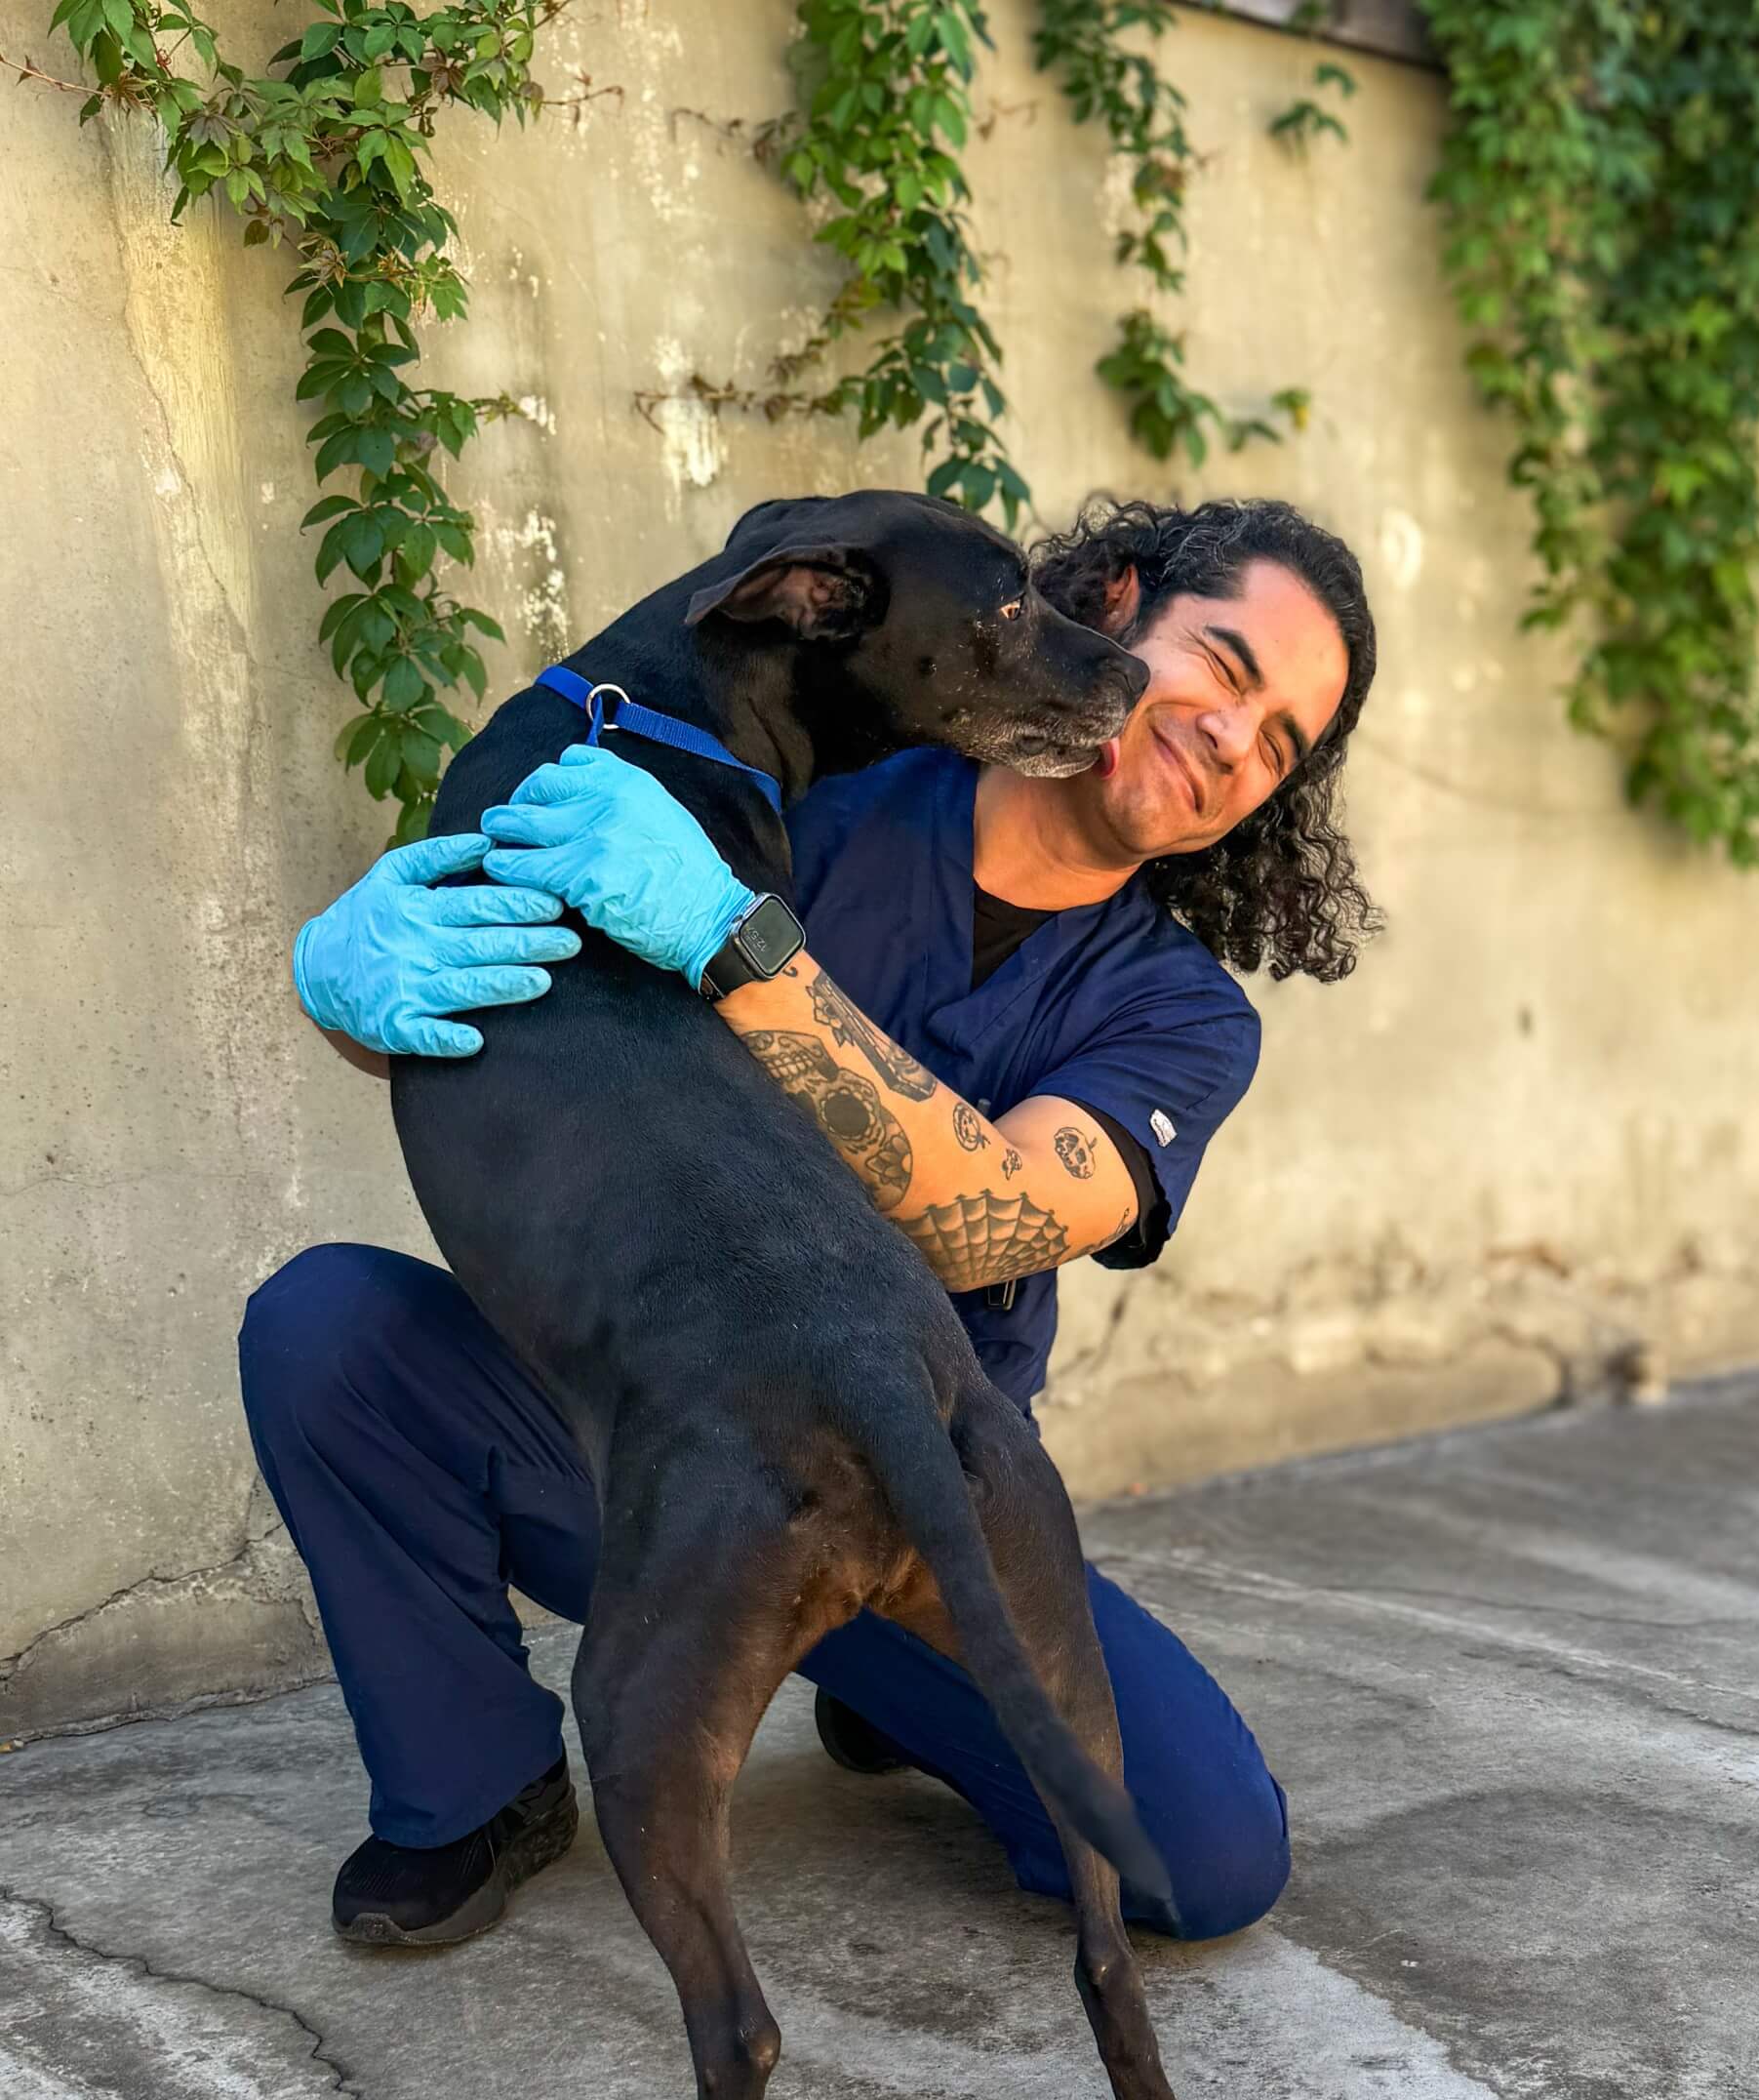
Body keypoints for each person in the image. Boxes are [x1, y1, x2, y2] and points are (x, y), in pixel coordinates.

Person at [241, 495, 1379, 1949]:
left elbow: (987, 1220)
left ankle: (885, 1685)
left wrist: (737, 943)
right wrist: (341, 981)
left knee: (1204, 1861)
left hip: (911, 1501)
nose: (1234, 738)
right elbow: (494, 995)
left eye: (1281, 742)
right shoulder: (793, 790)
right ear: (1121, 601)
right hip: (647, 1447)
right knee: (329, 1332)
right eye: (1227, 669)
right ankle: (473, 1784)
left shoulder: (1180, 1015)